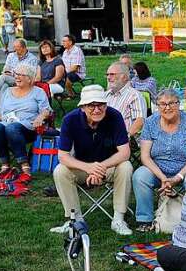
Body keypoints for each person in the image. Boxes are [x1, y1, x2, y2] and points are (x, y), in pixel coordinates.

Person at [50, 84, 133, 236]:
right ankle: (75, 221)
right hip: (82, 168)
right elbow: (63, 156)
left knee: (126, 166)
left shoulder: (115, 116)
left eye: (100, 104)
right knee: (60, 170)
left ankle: (118, 219)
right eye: (91, 105)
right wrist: (88, 168)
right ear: (82, 107)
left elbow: (125, 152)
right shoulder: (70, 120)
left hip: (109, 167)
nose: (96, 109)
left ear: (106, 105)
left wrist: (98, 167)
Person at [132, 89, 186, 233]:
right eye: (163, 104)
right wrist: (163, 178)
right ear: (157, 106)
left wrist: (177, 178)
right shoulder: (150, 122)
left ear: (179, 104)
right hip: (157, 169)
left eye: (172, 103)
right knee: (140, 176)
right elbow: (145, 156)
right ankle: (145, 220)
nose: (167, 107)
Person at [0, 63, 51, 174]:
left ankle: (24, 163)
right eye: (16, 74)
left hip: (28, 127)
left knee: (12, 128)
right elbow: (0, 110)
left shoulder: (38, 92)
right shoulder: (8, 91)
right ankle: (5, 164)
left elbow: (46, 110)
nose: (17, 77)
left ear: (29, 78)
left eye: (21, 75)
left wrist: (40, 117)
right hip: (7, 122)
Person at [0, 38, 40, 103]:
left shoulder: (32, 59)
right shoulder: (11, 56)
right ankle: (1, 111)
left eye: (17, 47)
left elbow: (29, 74)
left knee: (3, 77)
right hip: (10, 78)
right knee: (3, 86)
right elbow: (6, 67)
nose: (14, 49)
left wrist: (12, 73)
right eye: (14, 47)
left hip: (23, 80)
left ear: (24, 47)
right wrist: (6, 71)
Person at [105, 60, 146, 137]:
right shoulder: (105, 95)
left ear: (124, 77)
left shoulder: (134, 96)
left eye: (112, 74)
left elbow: (140, 121)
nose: (108, 78)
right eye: (107, 75)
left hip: (123, 141)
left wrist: (124, 139)